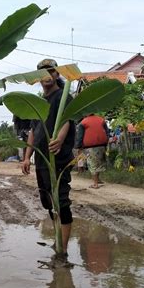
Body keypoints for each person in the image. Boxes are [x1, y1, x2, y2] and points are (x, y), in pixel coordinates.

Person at [22, 59, 75, 257]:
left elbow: (66, 120)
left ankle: (63, 250)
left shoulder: (63, 97)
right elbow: (33, 131)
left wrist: (59, 140)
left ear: (56, 75)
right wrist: (27, 157)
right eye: (42, 73)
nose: (47, 76)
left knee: (61, 201)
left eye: (51, 72)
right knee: (49, 203)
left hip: (59, 159)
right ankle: (58, 240)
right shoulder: (38, 103)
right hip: (42, 160)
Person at [75, 113, 110, 189]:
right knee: (99, 163)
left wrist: (78, 146)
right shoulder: (101, 120)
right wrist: (106, 142)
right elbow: (107, 133)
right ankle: (98, 180)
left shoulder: (83, 122)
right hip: (102, 145)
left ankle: (95, 183)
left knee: (92, 164)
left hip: (90, 146)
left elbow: (80, 136)